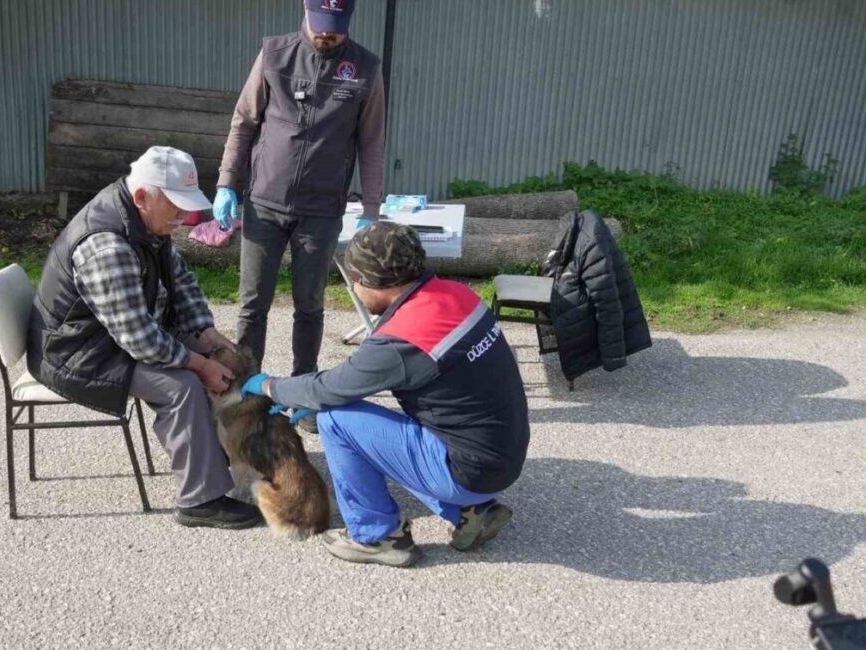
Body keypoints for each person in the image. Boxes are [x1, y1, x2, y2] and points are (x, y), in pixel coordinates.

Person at [241, 222, 531, 567]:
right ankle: (472, 511)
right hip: (504, 454)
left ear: (375, 283)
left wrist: (268, 385)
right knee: (360, 415)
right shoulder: (459, 295)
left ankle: (377, 536)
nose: (355, 288)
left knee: (335, 418)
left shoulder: (403, 339)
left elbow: (327, 388)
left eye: (355, 281)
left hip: (469, 470)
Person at [26, 146, 261, 530]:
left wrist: (204, 331)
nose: (185, 217)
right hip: (78, 354)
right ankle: (200, 500)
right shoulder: (106, 244)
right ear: (142, 197)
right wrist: (199, 363)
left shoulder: (145, 220)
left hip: (107, 337)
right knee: (182, 385)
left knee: (212, 356)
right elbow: (139, 340)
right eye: (177, 206)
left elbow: (179, 278)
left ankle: (211, 457)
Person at [213, 0, 386, 432]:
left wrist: (371, 209)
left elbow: (372, 142)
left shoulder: (365, 68)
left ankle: (304, 397)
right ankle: (248, 392)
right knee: (253, 306)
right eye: (321, 26)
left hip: (322, 210)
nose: (327, 35)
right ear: (305, 14)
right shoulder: (274, 54)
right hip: (264, 204)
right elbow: (244, 122)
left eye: (337, 29)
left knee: (309, 307)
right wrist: (226, 182)